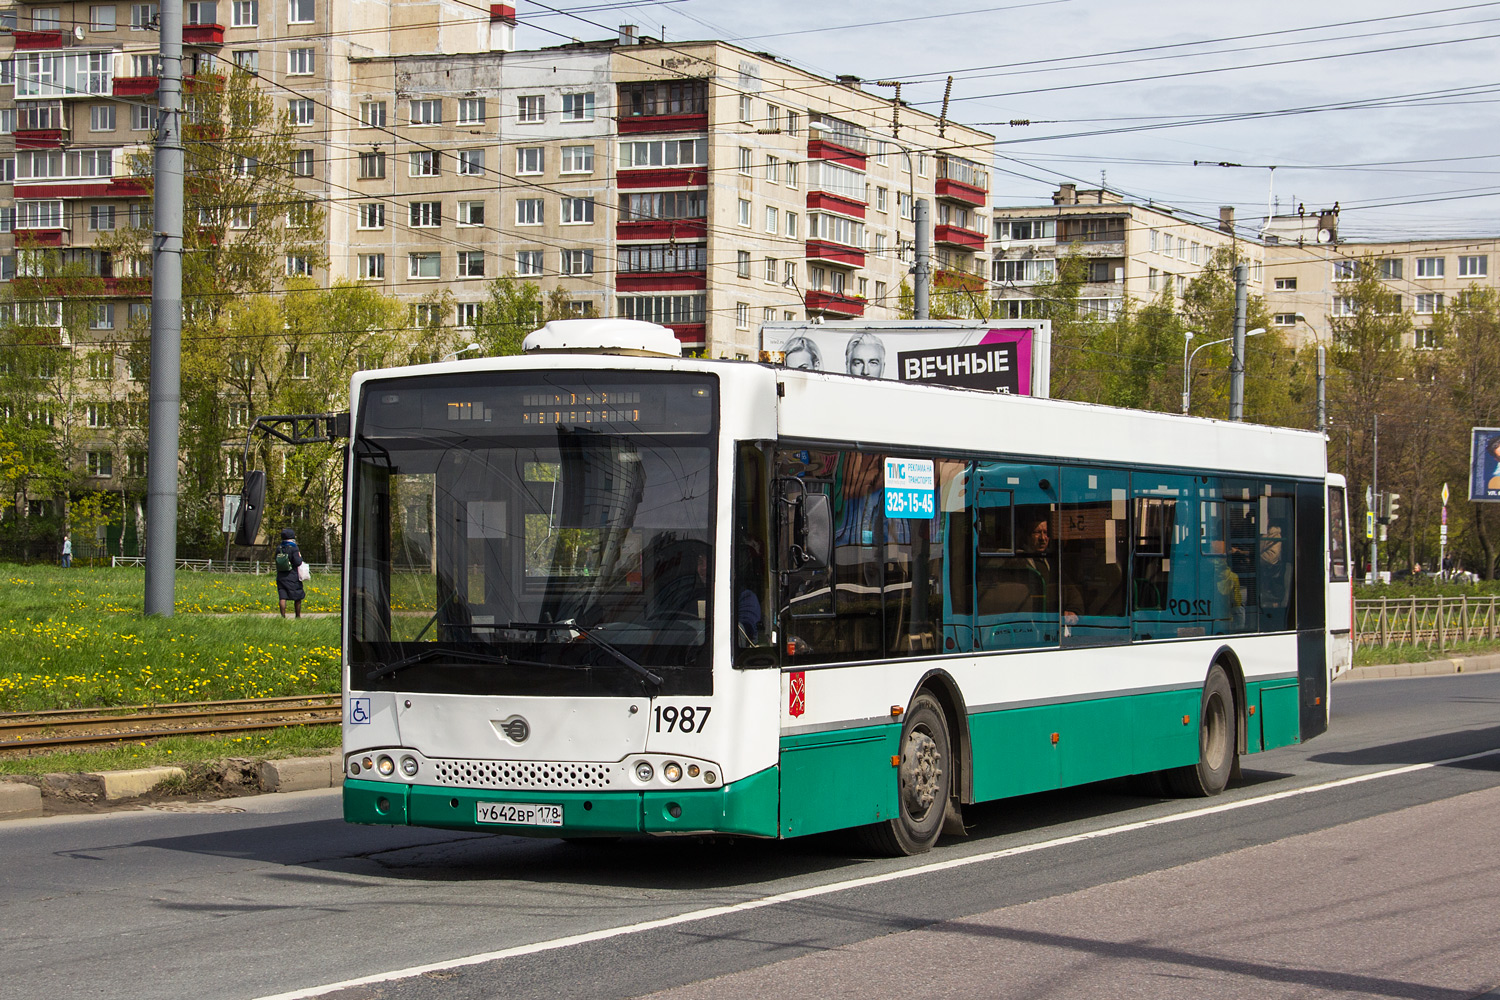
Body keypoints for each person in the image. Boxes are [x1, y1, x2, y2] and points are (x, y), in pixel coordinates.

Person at [275, 528, 305, 619]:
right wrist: (300, 556)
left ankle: (283, 616)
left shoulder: (279, 547)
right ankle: (298, 616)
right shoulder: (294, 547)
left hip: (281, 575)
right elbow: (297, 562)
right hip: (292, 575)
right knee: (297, 596)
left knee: (282, 596)